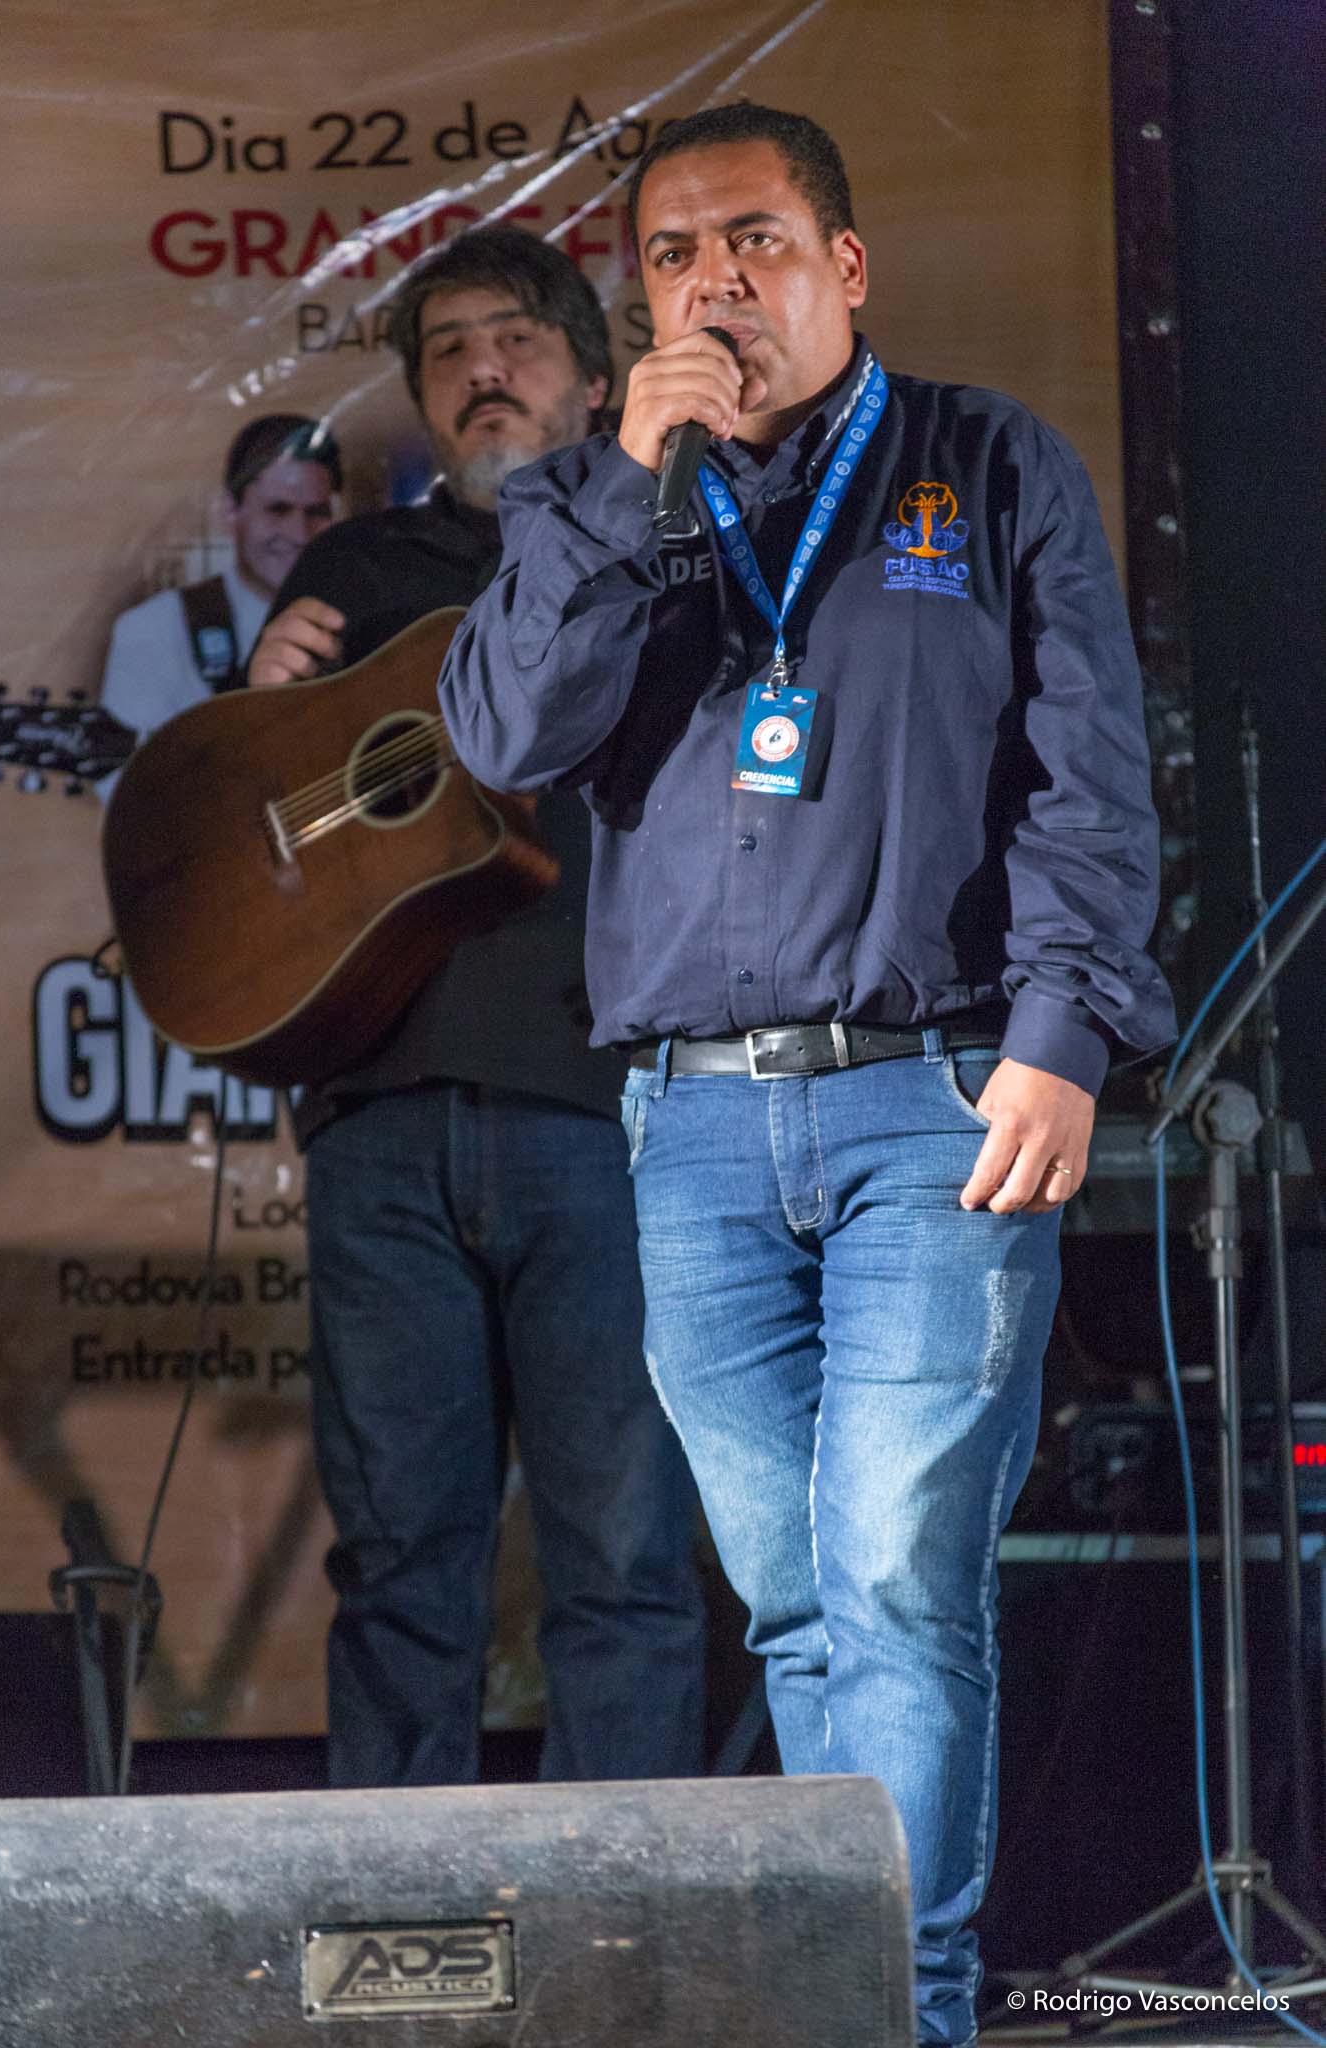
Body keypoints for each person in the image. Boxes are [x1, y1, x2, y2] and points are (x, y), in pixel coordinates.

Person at [438, 106, 1177, 2044]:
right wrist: (626, 480)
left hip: (937, 1100)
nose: (713, 282)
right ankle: (852, 1996)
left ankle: (901, 2011)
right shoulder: (597, 498)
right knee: (790, 1599)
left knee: (897, 1580)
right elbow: (502, 735)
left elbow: (1088, 779)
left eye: (752, 239)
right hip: (688, 1121)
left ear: (844, 265)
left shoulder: (985, 462)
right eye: (673, 255)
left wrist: (1061, 1039)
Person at [248, 225, 706, 1789]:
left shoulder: (681, 548)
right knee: (396, 1570)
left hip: (609, 1117)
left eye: (513, 337)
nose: (479, 369)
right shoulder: (354, 576)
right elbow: (263, 854)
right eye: (444, 349)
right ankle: (398, 1920)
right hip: (384, 1119)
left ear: (594, 377)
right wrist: (260, 719)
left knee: (625, 1561)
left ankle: (624, 1919)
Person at [97, 414, 341, 752]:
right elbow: (125, 779)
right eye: (278, 510)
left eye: (316, 512)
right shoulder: (154, 630)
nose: (299, 534)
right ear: (230, 510)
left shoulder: (365, 613)